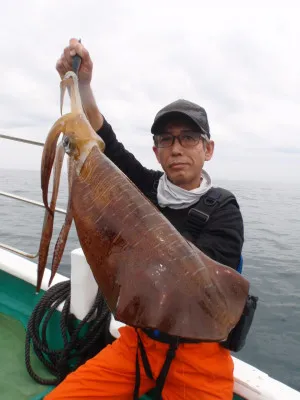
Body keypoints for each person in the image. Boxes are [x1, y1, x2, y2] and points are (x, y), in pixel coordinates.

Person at [45, 38, 244, 400]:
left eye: (188, 138)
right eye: (166, 140)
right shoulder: (147, 186)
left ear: (208, 149)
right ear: (156, 151)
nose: (177, 147)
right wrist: (83, 85)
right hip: (139, 343)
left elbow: (204, 291)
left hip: (198, 353)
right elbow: (106, 141)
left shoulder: (223, 209)